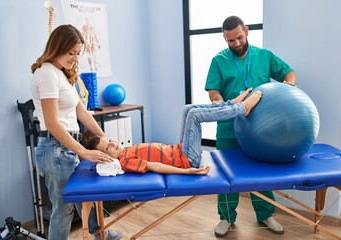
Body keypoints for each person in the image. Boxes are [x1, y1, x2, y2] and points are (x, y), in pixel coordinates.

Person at [205, 16, 297, 237]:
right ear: (224, 38)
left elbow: (288, 72)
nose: (235, 44)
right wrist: (217, 99)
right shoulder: (218, 60)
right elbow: (213, 91)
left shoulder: (263, 56)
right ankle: (226, 217)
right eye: (230, 41)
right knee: (227, 175)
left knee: (260, 173)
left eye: (239, 38)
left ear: (246, 31)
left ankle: (265, 214)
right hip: (229, 126)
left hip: (260, 128)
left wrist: (289, 84)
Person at [31, 24, 122, 240]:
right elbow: (53, 124)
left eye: (77, 53)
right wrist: (84, 152)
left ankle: (99, 233)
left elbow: (82, 113)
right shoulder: (46, 74)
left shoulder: (61, 74)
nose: (74, 58)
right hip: (55, 149)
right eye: (71, 52)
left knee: (86, 195)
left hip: (67, 147)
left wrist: (105, 139)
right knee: (64, 209)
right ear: (57, 47)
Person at [85, 89, 262, 174]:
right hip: (186, 159)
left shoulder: (126, 151)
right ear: (107, 157)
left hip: (179, 149)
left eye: (109, 141)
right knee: (194, 115)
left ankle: (230, 104)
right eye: (108, 148)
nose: (113, 144)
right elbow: (154, 166)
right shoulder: (125, 160)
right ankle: (240, 108)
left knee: (187, 109)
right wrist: (187, 171)